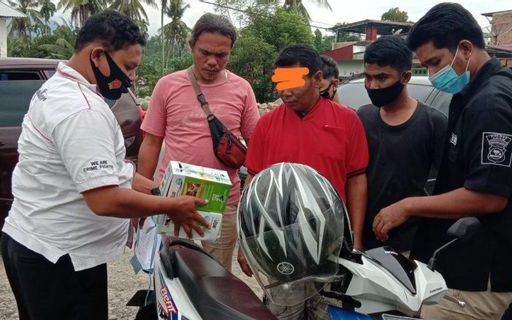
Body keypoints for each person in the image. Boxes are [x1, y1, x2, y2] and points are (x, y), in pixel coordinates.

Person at [1, 11, 208, 320]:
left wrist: (159, 189)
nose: (132, 78)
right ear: (97, 55)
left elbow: (109, 171)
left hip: (40, 243)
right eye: (128, 67)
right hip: (60, 257)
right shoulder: (80, 109)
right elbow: (103, 198)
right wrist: (170, 206)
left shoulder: (58, 89)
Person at [372, 3, 512, 319]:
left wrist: (407, 206)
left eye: (435, 63)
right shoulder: (472, 95)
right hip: (461, 262)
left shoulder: (490, 104)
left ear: (464, 49)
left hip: (479, 277)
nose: (433, 75)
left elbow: (489, 195)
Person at [238, 44, 368, 320]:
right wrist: (245, 242)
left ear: (318, 79)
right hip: (280, 246)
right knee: (282, 314)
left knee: (327, 313)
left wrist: (355, 239)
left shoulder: (347, 121)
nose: (285, 91)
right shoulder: (267, 125)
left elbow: (357, 179)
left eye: (293, 82)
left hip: (331, 244)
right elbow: (253, 181)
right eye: (280, 83)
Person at [137, 13, 260, 272]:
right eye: (205, 52)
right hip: (173, 197)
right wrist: (141, 197)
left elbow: (256, 147)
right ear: (191, 45)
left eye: (222, 55)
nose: (213, 61)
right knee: (174, 272)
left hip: (224, 201)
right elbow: (151, 143)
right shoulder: (167, 86)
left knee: (217, 277)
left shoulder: (242, 89)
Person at [357, 36, 447, 253]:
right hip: (364, 242)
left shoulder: (433, 122)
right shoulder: (363, 117)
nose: (372, 86)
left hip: (411, 245)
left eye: (381, 78)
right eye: (367, 78)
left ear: (405, 77)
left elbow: (447, 187)